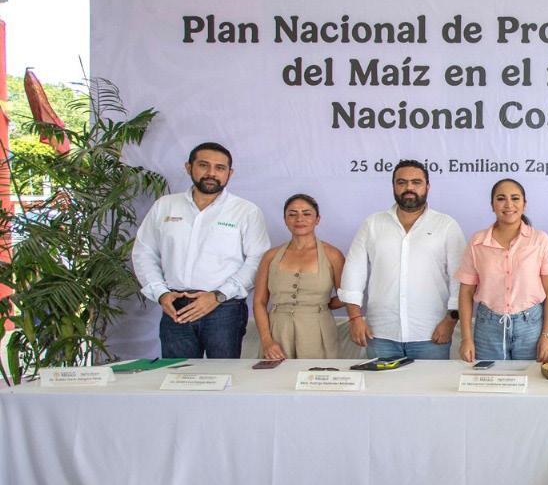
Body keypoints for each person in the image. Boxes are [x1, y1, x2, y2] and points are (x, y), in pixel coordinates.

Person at [132, 142, 270, 358]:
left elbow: (258, 260)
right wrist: (160, 293)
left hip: (224, 308)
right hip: (176, 305)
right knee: (177, 373)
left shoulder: (245, 211)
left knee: (224, 374)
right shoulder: (165, 206)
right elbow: (144, 252)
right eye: (204, 165)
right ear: (189, 167)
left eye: (220, 168)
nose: (211, 173)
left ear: (230, 173)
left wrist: (218, 296)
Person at [338, 160, 465, 359]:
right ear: (393, 186)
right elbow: (354, 272)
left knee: (431, 381)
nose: (409, 188)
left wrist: (450, 321)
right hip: (380, 333)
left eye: (416, 182)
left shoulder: (446, 225)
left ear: (427, 186)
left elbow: (460, 278)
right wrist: (355, 318)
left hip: (431, 333)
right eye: (402, 182)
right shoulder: (373, 224)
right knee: (381, 381)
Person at [456, 179, 548, 362]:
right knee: (489, 378)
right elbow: (465, 292)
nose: (508, 205)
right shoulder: (477, 242)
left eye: (515, 198)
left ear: (524, 204)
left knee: (531, 377)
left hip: (530, 326)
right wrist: (466, 338)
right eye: (501, 198)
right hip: (488, 327)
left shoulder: (539, 240)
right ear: (492, 205)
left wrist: (547, 335)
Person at [251, 194, 347, 359]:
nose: (299, 219)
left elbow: (346, 296)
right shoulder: (270, 256)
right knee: (277, 374)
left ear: (317, 219)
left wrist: (321, 305)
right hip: (278, 331)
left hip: (318, 329)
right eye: (292, 214)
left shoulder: (333, 255)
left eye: (307, 213)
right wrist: (267, 341)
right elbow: (259, 302)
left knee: (317, 373)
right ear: (285, 220)